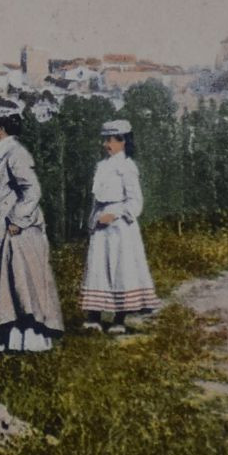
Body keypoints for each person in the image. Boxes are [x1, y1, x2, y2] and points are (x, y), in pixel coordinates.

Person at [0, 99, 64, 353]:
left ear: (2, 127)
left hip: (13, 234)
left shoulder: (15, 153)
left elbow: (32, 190)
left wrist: (17, 221)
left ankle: (23, 342)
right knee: (0, 285)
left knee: (15, 286)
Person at [80, 119, 158, 334]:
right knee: (97, 268)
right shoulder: (102, 166)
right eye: (105, 140)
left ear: (123, 141)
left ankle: (119, 319)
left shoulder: (127, 167)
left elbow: (135, 202)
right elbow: (97, 199)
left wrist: (115, 215)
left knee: (120, 269)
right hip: (101, 224)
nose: (107, 145)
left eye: (112, 140)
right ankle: (94, 316)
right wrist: (93, 220)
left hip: (120, 228)